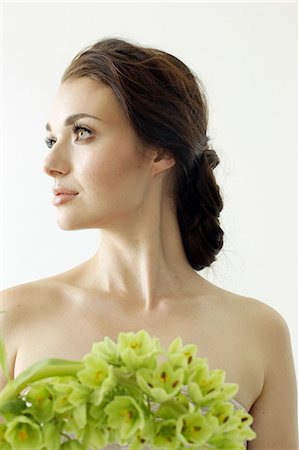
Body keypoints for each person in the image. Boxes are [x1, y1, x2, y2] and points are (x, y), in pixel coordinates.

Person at [0, 37, 298, 449]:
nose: (51, 164)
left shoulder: (259, 334)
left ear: (159, 152)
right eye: (52, 140)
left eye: (82, 132)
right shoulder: (11, 319)